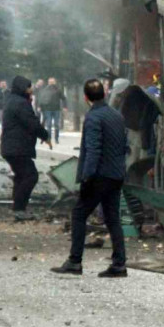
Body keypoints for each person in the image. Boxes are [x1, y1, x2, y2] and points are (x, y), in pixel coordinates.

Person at [51, 79, 128, 278]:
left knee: (78, 214)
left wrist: (86, 177)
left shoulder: (93, 118)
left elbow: (93, 150)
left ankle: (75, 261)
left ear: (86, 98)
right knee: (113, 219)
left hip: (99, 176)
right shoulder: (116, 115)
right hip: (116, 174)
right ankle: (119, 264)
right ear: (104, 93)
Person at [0, 76, 52, 220]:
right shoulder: (21, 103)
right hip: (17, 147)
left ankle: (18, 209)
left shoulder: (12, 100)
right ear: (22, 88)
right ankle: (19, 209)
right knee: (31, 176)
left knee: (21, 177)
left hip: (11, 147)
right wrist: (45, 136)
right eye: (28, 87)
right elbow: (32, 123)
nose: (31, 89)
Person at [40, 77, 67, 145]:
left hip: (56, 109)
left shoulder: (58, 90)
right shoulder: (45, 90)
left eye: (53, 82)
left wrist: (65, 106)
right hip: (47, 109)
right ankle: (49, 138)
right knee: (48, 124)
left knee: (56, 125)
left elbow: (63, 98)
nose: (51, 84)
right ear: (48, 83)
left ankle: (56, 138)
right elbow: (41, 99)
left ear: (55, 82)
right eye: (50, 82)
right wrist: (40, 107)